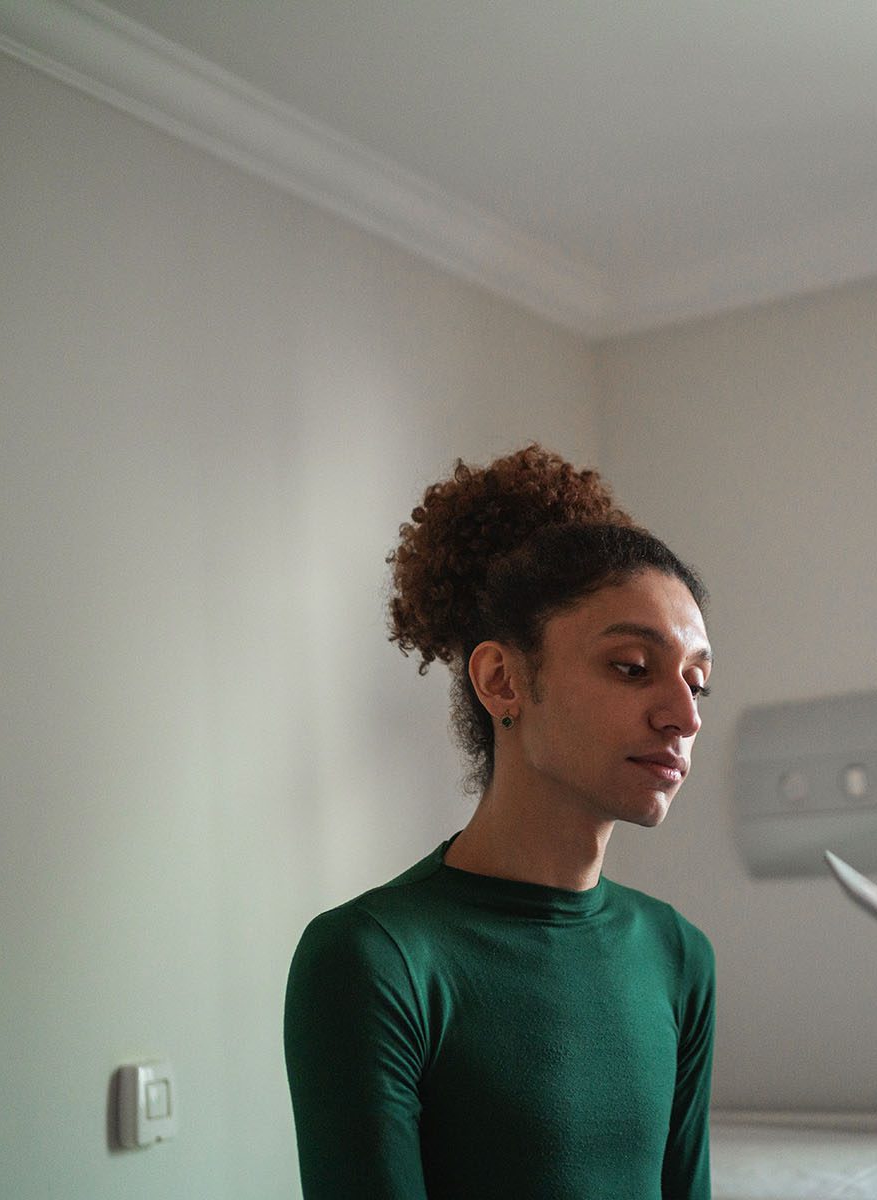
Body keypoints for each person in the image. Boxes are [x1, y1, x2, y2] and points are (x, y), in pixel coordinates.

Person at [284, 445, 717, 1199]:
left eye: (697, 680)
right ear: (502, 679)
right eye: (631, 667)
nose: (684, 715)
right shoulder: (372, 961)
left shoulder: (679, 957)